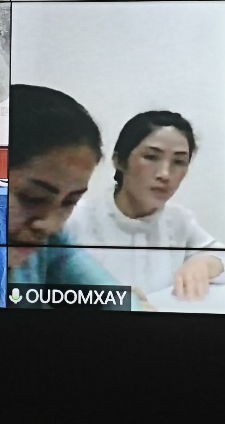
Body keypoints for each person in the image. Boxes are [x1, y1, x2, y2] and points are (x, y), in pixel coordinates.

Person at [65, 111, 225, 304]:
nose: (165, 174)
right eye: (151, 157)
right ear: (119, 161)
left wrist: (207, 264)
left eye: (179, 162)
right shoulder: (73, 219)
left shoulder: (179, 220)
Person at [7, 84, 140, 310]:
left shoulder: (52, 242)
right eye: (33, 198)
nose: (51, 225)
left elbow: (118, 302)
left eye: (70, 202)